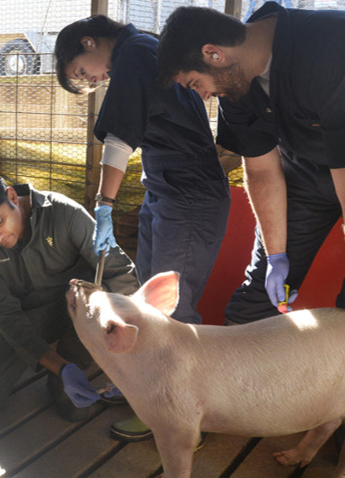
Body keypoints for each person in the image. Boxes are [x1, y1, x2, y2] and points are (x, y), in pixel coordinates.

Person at [157, 3, 345, 470]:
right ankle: (234, 404)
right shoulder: (236, 84)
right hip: (304, 169)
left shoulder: (337, 51)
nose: (200, 95)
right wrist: (278, 256)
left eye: (194, 84)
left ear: (214, 54)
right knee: (262, 287)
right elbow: (262, 173)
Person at [53, 14, 230, 441]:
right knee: (147, 302)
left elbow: (119, 139)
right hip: (167, 192)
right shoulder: (143, 49)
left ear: (89, 41)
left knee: (174, 309)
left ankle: (171, 413)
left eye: (82, 72)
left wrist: (104, 205)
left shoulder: (134, 53)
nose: (93, 80)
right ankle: (147, 389)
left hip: (188, 197)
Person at [0, 165, 139, 422]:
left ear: (12, 196)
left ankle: (73, 361)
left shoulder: (65, 213)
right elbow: (6, 315)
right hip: (24, 317)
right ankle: (52, 364)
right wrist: (61, 367)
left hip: (78, 313)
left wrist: (131, 343)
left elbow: (120, 271)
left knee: (74, 409)